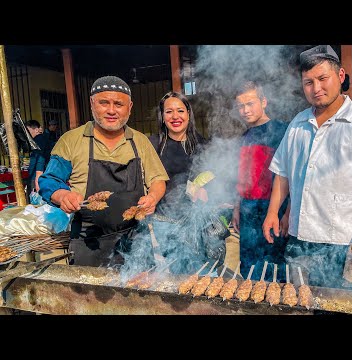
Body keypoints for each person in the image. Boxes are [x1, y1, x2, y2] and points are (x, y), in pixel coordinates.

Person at [263, 45, 352, 289]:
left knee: (342, 304)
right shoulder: (298, 123)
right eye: (308, 82)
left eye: (322, 78)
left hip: (344, 239)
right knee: (300, 302)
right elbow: (283, 173)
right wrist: (274, 211)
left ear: (340, 76)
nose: (316, 89)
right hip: (300, 238)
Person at [38, 75, 169, 267]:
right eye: (104, 103)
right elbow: (49, 180)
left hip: (135, 238)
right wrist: (62, 195)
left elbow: (158, 179)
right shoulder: (71, 140)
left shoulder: (140, 141)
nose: (111, 110)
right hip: (88, 240)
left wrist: (153, 198)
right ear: (92, 104)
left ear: (130, 107)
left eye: (118, 104)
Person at [149, 91, 228, 275]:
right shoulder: (152, 145)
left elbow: (216, 175)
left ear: (188, 113)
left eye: (180, 111)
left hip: (199, 220)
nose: (175, 116)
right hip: (166, 222)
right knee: (179, 276)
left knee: (206, 274)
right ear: (162, 116)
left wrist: (207, 190)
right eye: (169, 112)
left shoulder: (202, 143)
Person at [231, 80, 289, 282]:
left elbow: (291, 177)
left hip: (273, 209)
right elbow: (242, 176)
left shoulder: (282, 131)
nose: (245, 110)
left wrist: (287, 213)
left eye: (250, 104)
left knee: (274, 267)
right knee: (248, 266)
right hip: (247, 210)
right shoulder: (244, 136)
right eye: (240, 106)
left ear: (264, 102)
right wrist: (237, 208)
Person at [25, 120, 48, 198]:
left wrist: (38, 177)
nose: (27, 133)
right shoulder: (38, 140)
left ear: (36, 129)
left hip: (37, 175)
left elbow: (40, 158)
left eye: (29, 131)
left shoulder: (39, 139)